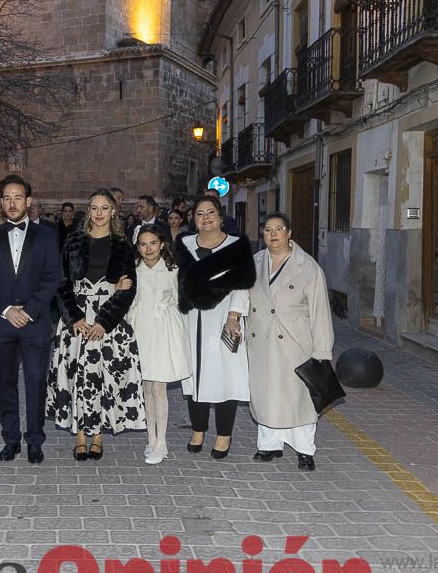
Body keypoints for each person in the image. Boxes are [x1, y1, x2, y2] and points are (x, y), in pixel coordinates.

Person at [47, 189, 143, 461]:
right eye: (94, 208)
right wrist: (74, 318)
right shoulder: (74, 241)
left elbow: (129, 288)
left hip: (108, 323)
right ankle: (80, 437)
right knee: (77, 377)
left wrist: (104, 322)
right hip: (76, 320)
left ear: (113, 211)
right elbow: (62, 282)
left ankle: (98, 436)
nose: (99, 213)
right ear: (88, 211)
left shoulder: (123, 245)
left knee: (103, 380)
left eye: (104, 208)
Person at [0, 174, 61, 464]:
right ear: (0, 202)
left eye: (18, 197)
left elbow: (52, 279)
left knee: (36, 384)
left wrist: (28, 311)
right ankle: (10, 439)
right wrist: (6, 310)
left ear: (28, 200)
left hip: (34, 324)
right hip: (1, 324)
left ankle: (35, 441)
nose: (12, 203)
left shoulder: (47, 236)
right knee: (5, 384)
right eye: (7, 198)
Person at [246, 213, 334, 471]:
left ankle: (305, 450)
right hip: (261, 337)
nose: (273, 234)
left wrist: (322, 350)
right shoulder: (255, 262)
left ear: (289, 233)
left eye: (279, 229)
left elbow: (320, 311)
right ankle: (269, 444)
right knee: (265, 393)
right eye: (267, 230)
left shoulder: (307, 267)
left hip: (295, 341)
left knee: (299, 396)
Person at [175, 195, 255, 459]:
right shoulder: (184, 244)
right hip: (191, 319)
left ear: (221, 217)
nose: (205, 218)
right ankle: (198, 429)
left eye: (211, 213)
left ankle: (224, 434)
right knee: (194, 375)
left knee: (225, 376)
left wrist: (234, 316)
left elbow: (243, 284)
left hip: (224, 317)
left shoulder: (236, 245)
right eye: (200, 213)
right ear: (193, 219)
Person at [131, 224, 191, 465]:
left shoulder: (173, 269)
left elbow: (180, 300)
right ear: (138, 246)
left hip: (164, 329)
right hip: (140, 328)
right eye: (143, 244)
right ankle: (150, 437)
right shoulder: (134, 270)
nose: (149, 249)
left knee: (159, 387)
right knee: (146, 386)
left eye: (153, 243)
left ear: (162, 244)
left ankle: (162, 442)